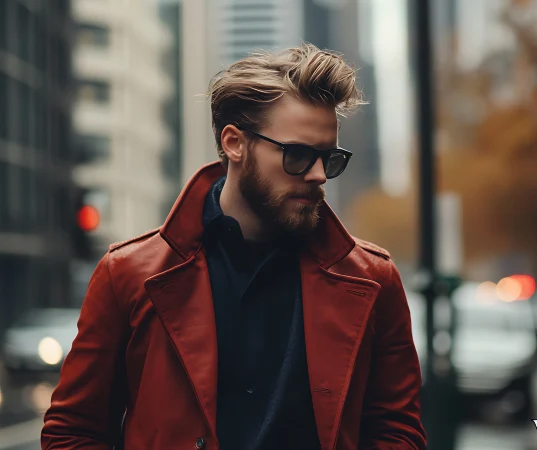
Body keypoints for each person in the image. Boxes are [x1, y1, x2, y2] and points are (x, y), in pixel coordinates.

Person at [42, 44, 426, 450]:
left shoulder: (372, 279)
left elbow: (398, 433)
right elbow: (72, 433)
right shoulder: (129, 274)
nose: (318, 176)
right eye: (297, 155)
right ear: (235, 143)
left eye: (328, 158)